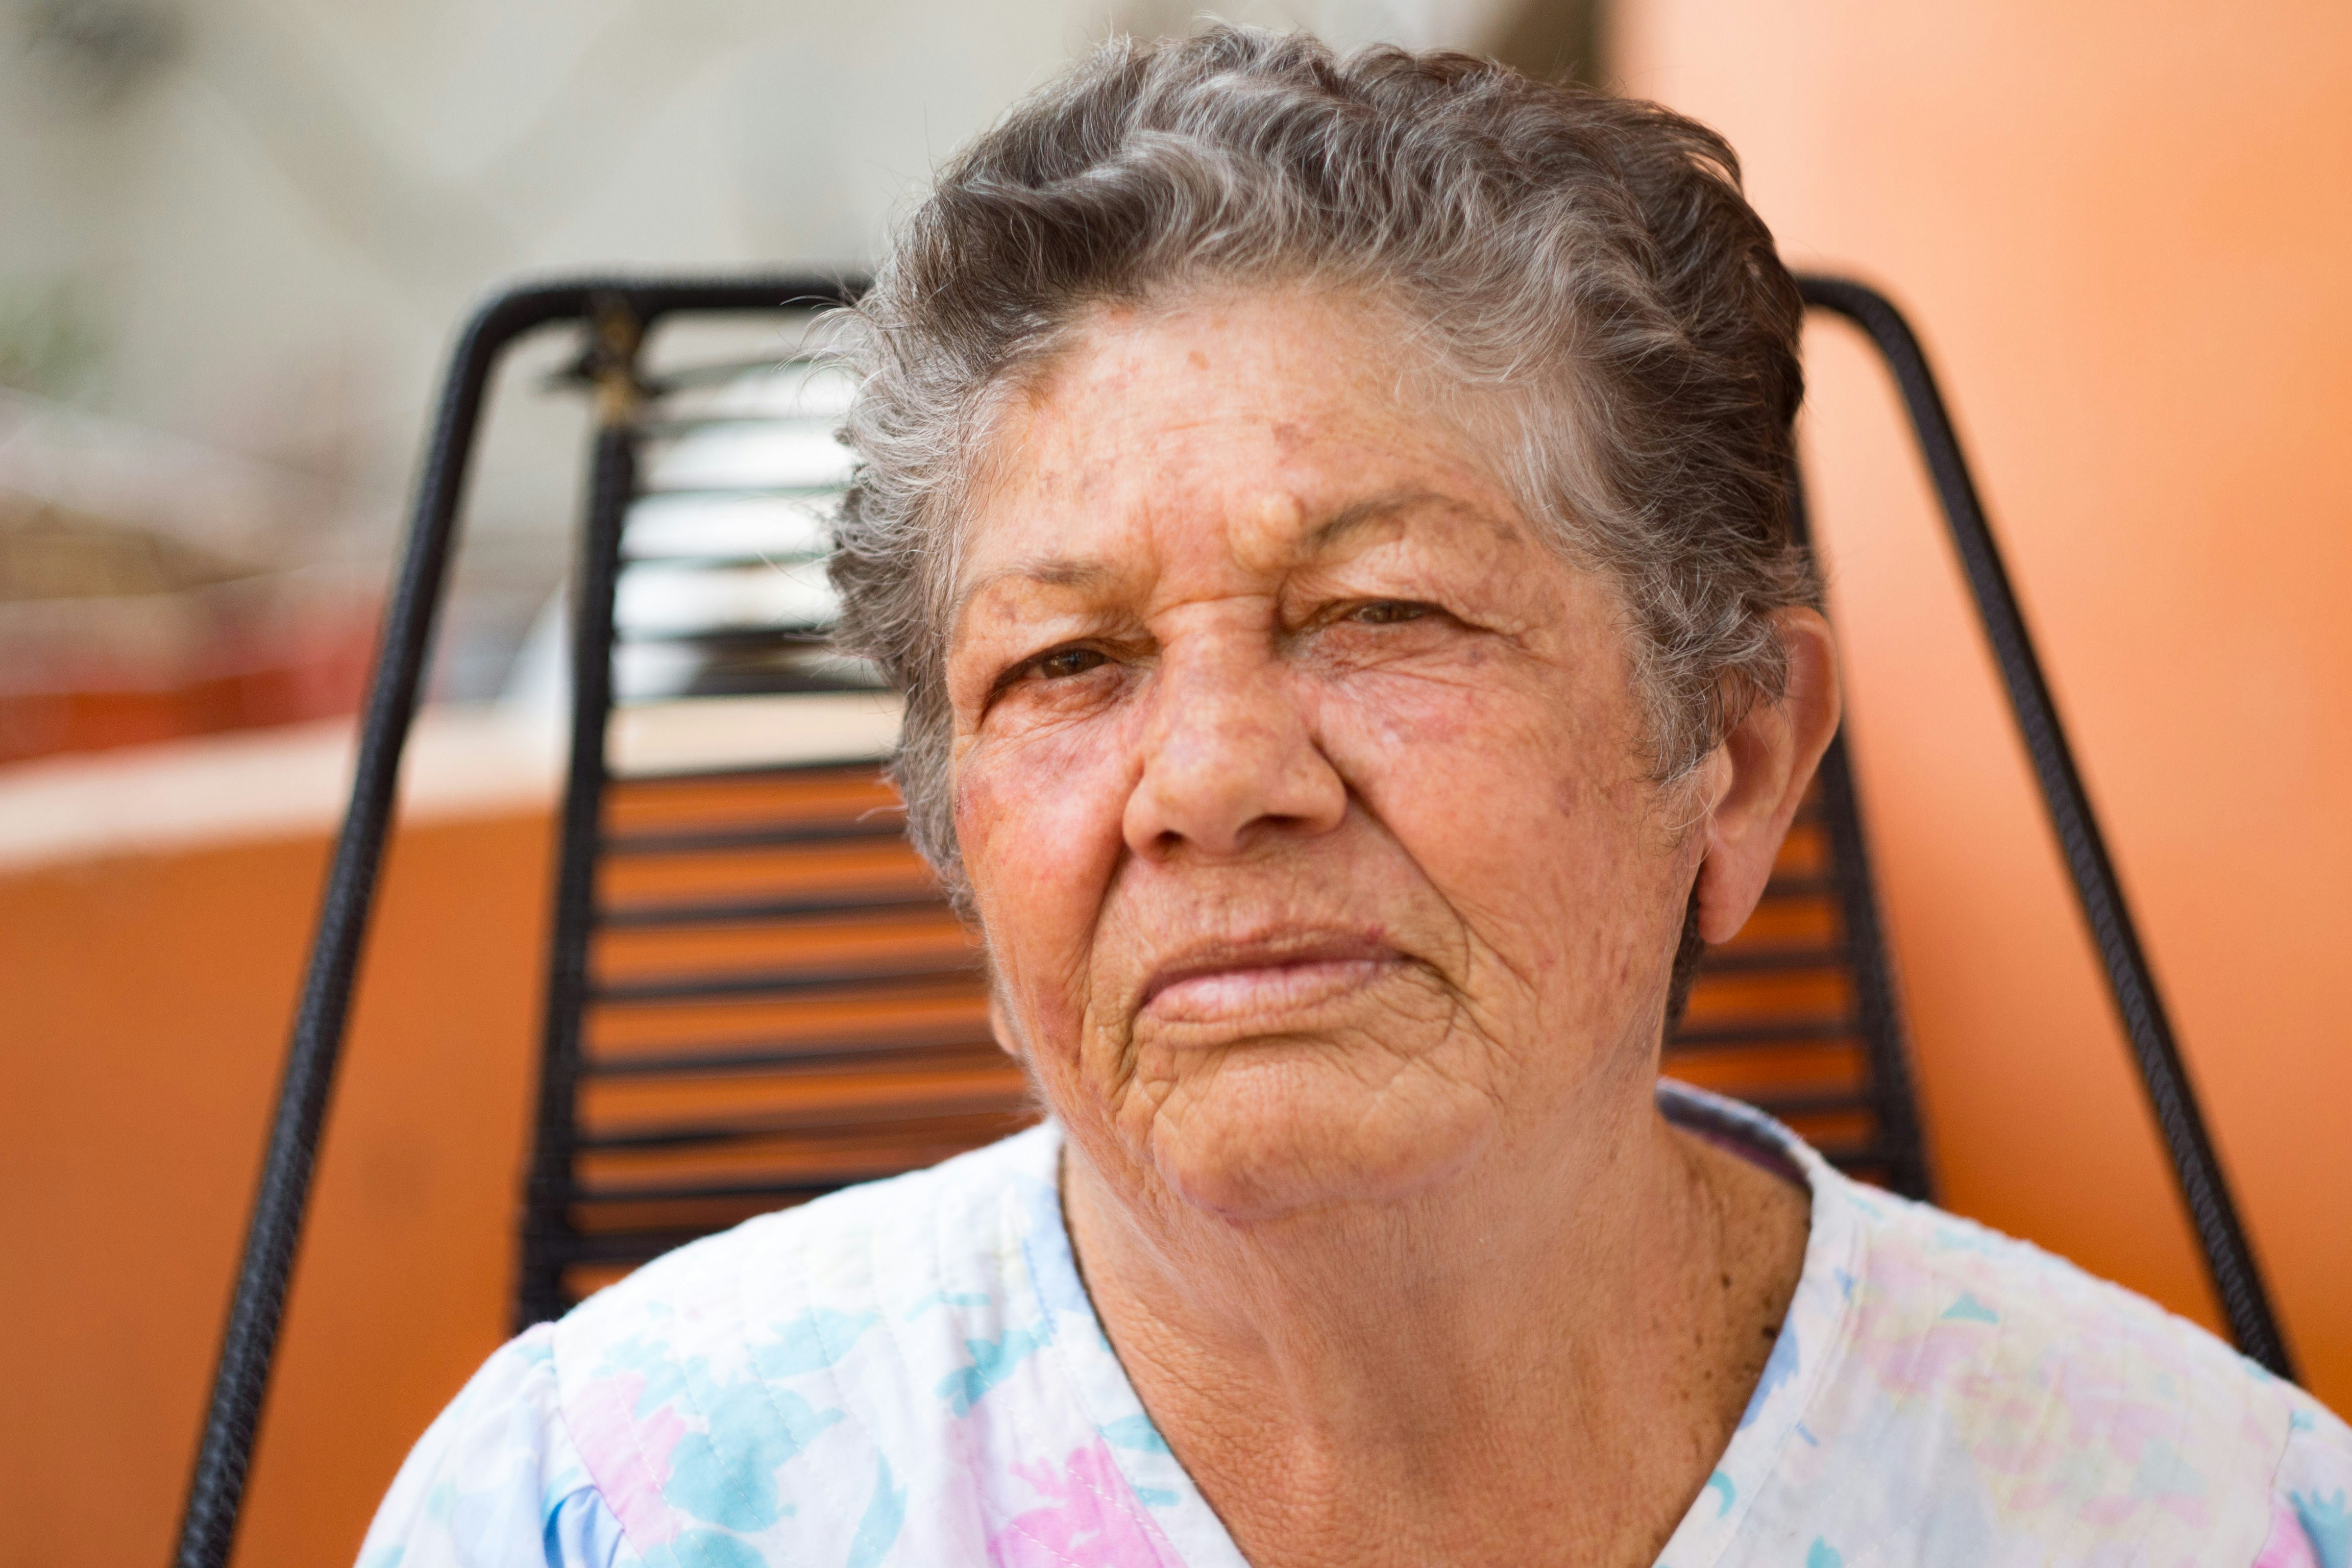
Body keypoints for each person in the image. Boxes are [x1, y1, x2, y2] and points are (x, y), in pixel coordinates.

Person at [361, 26, 2349, 1568]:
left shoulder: (2201, 1519)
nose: (1213, 783)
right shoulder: (599, 1510)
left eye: (1381, 613)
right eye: (1067, 663)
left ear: (1736, 757)